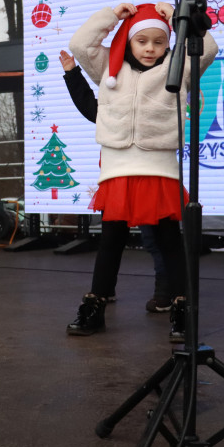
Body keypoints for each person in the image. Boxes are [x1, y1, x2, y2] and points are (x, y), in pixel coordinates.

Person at [66, 1, 218, 340]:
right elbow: (80, 44)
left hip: (158, 168)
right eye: (142, 40)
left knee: (168, 241)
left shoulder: (177, 68)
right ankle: (95, 307)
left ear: (168, 43)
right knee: (111, 240)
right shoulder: (109, 66)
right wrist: (110, 16)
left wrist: (177, 15)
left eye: (159, 41)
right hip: (118, 168)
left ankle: (181, 311)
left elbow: (207, 48)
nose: (150, 48)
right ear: (129, 40)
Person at [59, 49, 172, 313]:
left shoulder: (157, 94)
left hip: (150, 178)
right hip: (118, 179)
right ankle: (103, 291)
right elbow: (91, 108)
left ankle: (166, 293)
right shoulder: (117, 99)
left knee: (157, 237)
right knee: (112, 238)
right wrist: (72, 73)